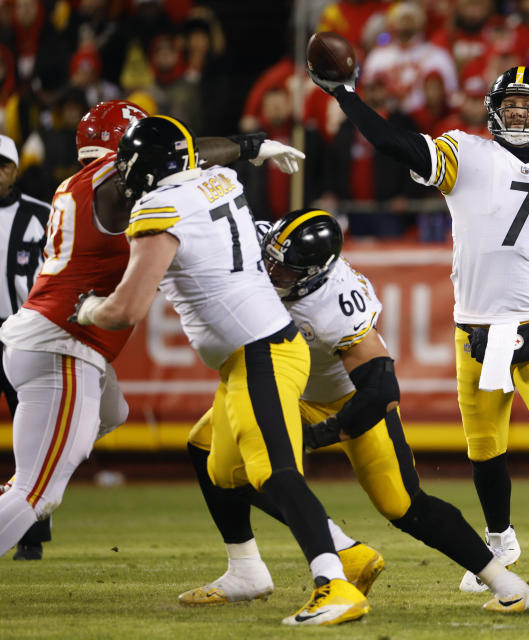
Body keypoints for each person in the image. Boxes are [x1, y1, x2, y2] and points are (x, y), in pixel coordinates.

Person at [311, 62, 529, 595]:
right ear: (494, 113)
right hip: (476, 327)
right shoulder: (465, 152)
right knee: (483, 451)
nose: (519, 115)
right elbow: (396, 144)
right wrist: (346, 95)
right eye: (511, 106)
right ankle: (499, 542)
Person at [71, 116, 365, 626]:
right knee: (210, 454)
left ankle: (336, 583)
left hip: (261, 351)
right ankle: (247, 571)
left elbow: (126, 309)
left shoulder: (157, 208)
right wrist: (253, 148)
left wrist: (86, 307)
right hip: (253, 351)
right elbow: (206, 156)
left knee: (275, 472)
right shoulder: (219, 179)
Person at [179, 210, 529, 613]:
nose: (270, 272)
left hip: (342, 402)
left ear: (313, 273)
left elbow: (382, 390)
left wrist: (324, 433)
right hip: (278, 388)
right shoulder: (257, 239)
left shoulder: (335, 300)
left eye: (284, 270)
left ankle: (507, 583)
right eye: (270, 260)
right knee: (207, 449)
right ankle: (248, 569)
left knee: (403, 506)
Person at [0, 101, 306, 562]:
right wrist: (249, 146)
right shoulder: (115, 181)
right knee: (37, 493)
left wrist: (251, 147)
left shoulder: (79, 183)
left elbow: (179, 156)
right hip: (64, 343)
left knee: (111, 413)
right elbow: (185, 154)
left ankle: (42, 456)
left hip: (59, 341)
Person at [0, 135, 51, 560]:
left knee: (31, 432)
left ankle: (32, 535)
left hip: (24, 330)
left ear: (16, 170)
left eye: (3, 165)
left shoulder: (42, 215)